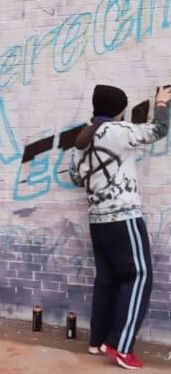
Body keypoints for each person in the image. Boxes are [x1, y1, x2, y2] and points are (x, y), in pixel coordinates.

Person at [71, 85, 171, 370]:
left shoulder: (81, 140)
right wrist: (162, 102)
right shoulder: (117, 131)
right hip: (123, 217)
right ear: (118, 109)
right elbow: (157, 130)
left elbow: (77, 179)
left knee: (107, 278)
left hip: (97, 219)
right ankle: (121, 346)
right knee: (139, 276)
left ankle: (98, 341)